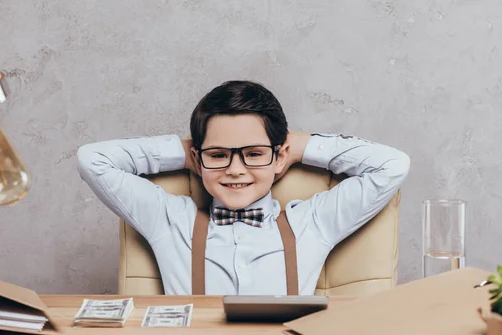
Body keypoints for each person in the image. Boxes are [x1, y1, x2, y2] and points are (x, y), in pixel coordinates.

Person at [77, 80, 410, 295]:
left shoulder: (313, 223)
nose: (236, 170)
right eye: (219, 155)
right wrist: (184, 152)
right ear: (198, 158)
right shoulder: (169, 220)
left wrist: (297, 147)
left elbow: (392, 165)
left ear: (279, 157)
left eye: (253, 154)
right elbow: (93, 159)